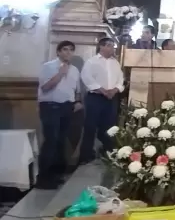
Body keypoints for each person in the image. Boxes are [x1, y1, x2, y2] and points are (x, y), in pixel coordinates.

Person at [37, 41, 82, 189]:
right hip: (51, 106)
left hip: (66, 107)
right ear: (58, 52)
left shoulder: (75, 70)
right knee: (51, 141)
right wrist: (60, 73)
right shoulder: (48, 66)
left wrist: (77, 101)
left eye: (71, 50)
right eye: (64, 49)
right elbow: (45, 87)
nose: (68, 53)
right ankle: (43, 178)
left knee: (61, 141)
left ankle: (55, 175)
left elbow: (77, 89)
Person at [79, 38, 124, 164]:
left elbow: (120, 79)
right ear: (101, 47)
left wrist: (115, 90)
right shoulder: (91, 62)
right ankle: (86, 155)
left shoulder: (115, 62)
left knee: (109, 127)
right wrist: (102, 90)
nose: (112, 48)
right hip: (96, 97)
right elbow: (86, 78)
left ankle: (108, 152)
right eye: (109, 45)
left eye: (113, 46)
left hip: (111, 98)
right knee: (90, 126)